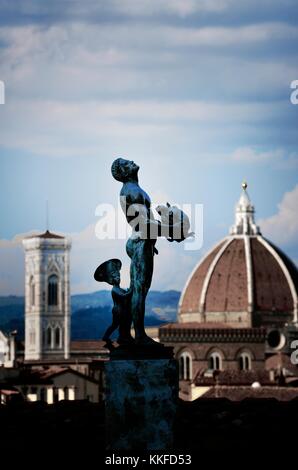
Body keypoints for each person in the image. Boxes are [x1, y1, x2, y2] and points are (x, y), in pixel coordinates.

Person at [111, 158, 182, 345]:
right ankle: (140, 335)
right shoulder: (132, 191)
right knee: (139, 290)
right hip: (140, 242)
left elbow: (144, 222)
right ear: (124, 172)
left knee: (138, 289)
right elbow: (142, 225)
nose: (132, 161)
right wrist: (169, 230)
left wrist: (159, 235)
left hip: (142, 242)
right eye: (127, 163)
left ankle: (130, 333)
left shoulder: (133, 189)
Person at [94, 258, 133, 345]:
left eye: (118, 276)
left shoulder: (119, 289)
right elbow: (124, 296)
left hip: (122, 310)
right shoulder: (115, 289)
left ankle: (123, 337)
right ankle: (106, 336)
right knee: (115, 324)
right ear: (112, 280)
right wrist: (131, 291)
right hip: (118, 311)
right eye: (116, 277)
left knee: (123, 324)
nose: (118, 278)